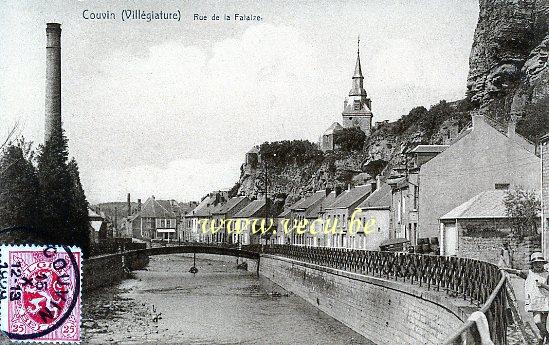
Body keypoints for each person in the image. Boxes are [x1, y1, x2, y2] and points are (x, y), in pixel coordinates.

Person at [502, 252, 549, 345]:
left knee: (543, 323)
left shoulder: (547, 274)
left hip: (545, 301)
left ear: (543, 264)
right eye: (536, 263)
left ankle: (541, 340)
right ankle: (547, 335)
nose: (538, 265)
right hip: (535, 301)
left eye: (540, 263)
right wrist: (505, 269)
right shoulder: (529, 273)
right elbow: (517, 272)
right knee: (537, 321)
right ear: (532, 264)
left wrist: (543, 285)